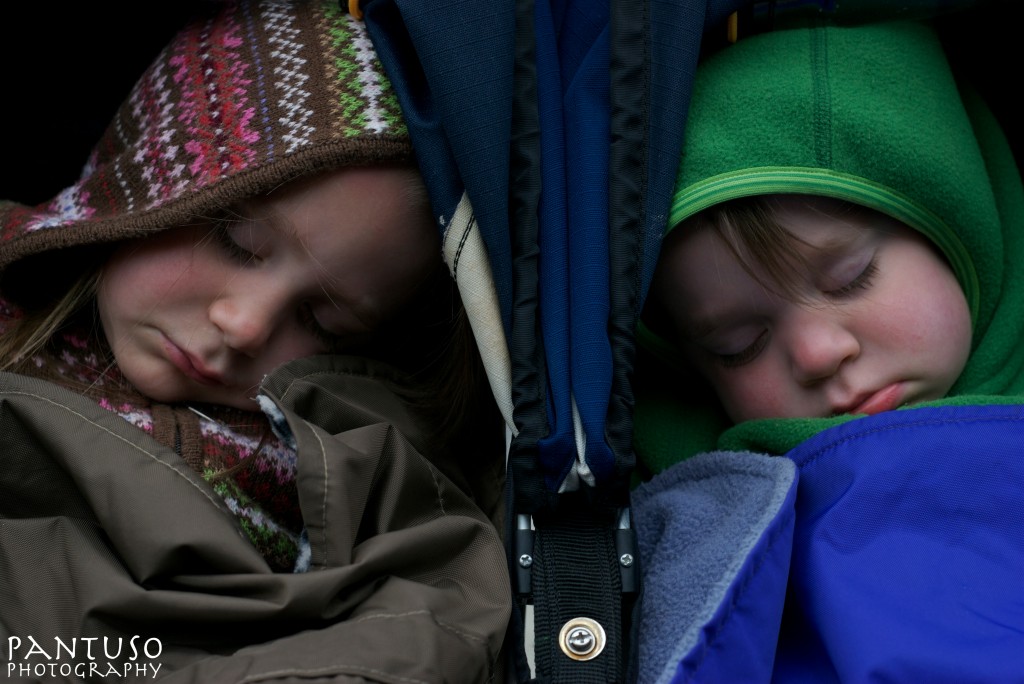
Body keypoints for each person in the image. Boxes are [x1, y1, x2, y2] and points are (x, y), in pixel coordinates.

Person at [0, 1, 509, 681]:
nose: (245, 326)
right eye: (232, 241)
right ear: (143, 176)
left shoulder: (358, 473)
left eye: (324, 323)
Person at [634, 16, 1024, 469]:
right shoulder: (685, 492)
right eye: (739, 345)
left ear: (957, 229)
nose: (819, 354)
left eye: (852, 278)